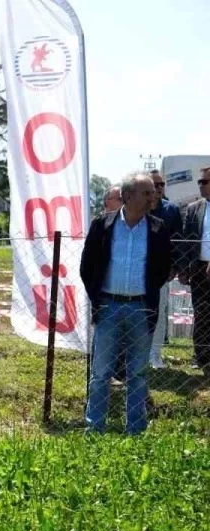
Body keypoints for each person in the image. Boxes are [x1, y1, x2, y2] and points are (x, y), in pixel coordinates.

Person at [80, 172, 172, 434]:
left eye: (153, 192)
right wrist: (97, 299)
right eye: (147, 192)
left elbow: (163, 268)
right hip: (108, 307)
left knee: (138, 374)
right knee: (100, 374)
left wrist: (147, 292)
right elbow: (87, 267)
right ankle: (94, 428)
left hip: (141, 309)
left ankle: (135, 430)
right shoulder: (102, 225)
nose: (153, 196)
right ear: (127, 196)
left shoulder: (158, 228)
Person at [146, 170, 183, 369]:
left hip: (161, 273)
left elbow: (179, 242)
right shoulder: (137, 208)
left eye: (162, 185)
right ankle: (138, 354)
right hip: (136, 271)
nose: (159, 188)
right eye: (155, 184)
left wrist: (175, 267)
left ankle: (155, 355)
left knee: (159, 314)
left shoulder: (172, 210)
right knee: (137, 313)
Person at [178, 165, 210, 376]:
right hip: (199, 268)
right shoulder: (193, 209)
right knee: (201, 313)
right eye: (199, 181)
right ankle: (202, 359)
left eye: (204, 182)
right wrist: (183, 268)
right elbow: (186, 242)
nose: (200, 185)